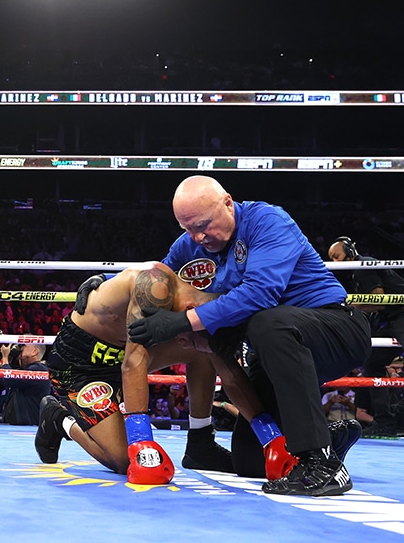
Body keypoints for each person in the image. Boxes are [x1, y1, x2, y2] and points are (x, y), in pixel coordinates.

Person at [127, 175, 370, 496]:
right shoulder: (191, 245)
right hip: (275, 351)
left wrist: (185, 322)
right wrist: (107, 283)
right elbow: (156, 276)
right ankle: (332, 435)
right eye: (188, 228)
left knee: (266, 322)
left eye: (204, 224)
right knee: (250, 457)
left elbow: (261, 293)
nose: (199, 236)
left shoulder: (267, 221)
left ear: (228, 203)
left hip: (335, 329)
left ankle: (322, 464)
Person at [37, 262, 298, 486]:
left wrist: (271, 438)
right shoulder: (154, 290)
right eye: (191, 336)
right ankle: (59, 419)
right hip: (81, 364)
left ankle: (200, 442)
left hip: (123, 353)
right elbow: (133, 361)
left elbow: (229, 374)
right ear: (188, 310)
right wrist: (142, 443)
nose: (184, 343)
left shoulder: (211, 310)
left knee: (203, 351)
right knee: (122, 460)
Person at [328, 236, 403, 438]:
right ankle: (384, 421)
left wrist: (346, 308)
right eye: (331, 259)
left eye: (337, 256)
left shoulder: (363, 266)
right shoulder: (356, 273)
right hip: (390, 317)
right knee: (373, 363)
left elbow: (377, 298)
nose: (335, 263)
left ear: (350, 252)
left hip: (400, 313)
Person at [0, 342, 50, 426]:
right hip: (14, 426)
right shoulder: (25, 369)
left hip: (28, 427)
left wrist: (5, 358)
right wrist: (9, 358)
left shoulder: (39, 369)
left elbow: (9, 380)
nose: (20, 348)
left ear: (34, 351)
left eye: (23, 345)